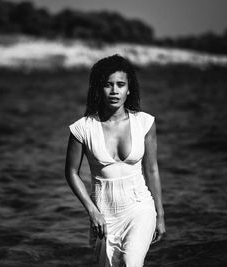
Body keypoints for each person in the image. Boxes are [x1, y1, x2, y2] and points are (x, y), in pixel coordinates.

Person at [64, 54, 166, 267]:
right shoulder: (82, 128)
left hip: (139, 206)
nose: (114, 90)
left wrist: (160, 214)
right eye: (108, 85)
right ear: (98, 89)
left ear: (129, 89)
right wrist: (92, 211)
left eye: (120, 84)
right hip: (104, 212)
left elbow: (152, 170)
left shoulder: (144, 123)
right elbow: (71, 172)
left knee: (131, 261)